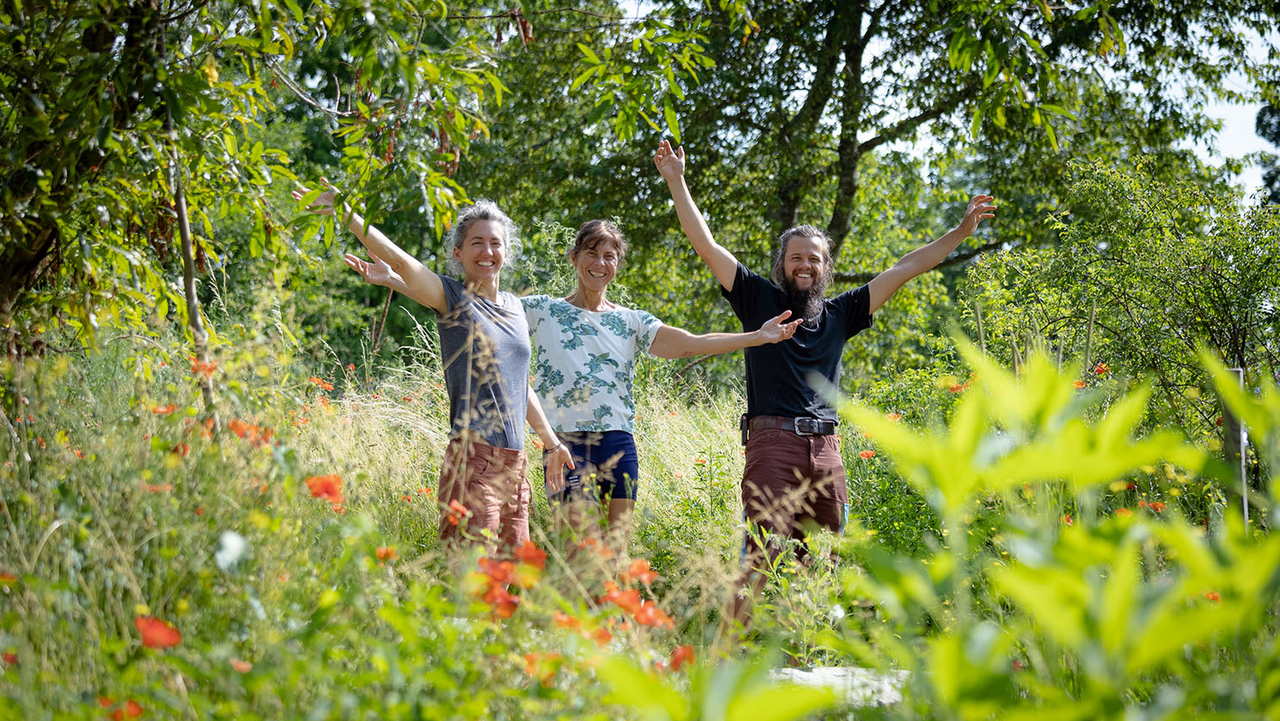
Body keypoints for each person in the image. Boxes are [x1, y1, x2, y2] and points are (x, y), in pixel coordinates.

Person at [653, 139, 996, 625]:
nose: (805, 265)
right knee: (762, 559)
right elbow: (706, 245)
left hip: (827, 450)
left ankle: (802, 658)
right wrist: (677, 181)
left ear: (825, 267)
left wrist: (960, 232)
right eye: (796, 257)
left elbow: (906, 267)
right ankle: (726, 657)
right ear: (782, 264)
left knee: (820, 564)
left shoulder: (842, 313)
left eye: (814, 259)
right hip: (772, 445)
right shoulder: (757, 300)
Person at [294, 182, 574, 554]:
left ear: (507, 252)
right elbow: (401, 260)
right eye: (476, 242)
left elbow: (518, 385)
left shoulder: (514, 307)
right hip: (474, 463)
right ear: (458, 253)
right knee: (472, 579)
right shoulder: (453, 298)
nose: (487, 251)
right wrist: (348, 215)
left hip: (516, 467)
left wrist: (552, 443)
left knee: (509, 580)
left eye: (495, 243)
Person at [520, 219, 802, 555]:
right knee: (581, 555)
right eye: (591, 253)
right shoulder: (542, 310)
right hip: (567, 446)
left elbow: (689, 344)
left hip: (619, 445)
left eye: (609, 256)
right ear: (574, 257)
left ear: (618, 264)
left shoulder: (631, 321)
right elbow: (489, 312)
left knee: (614, 557)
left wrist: (757, 336)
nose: (600, 263)